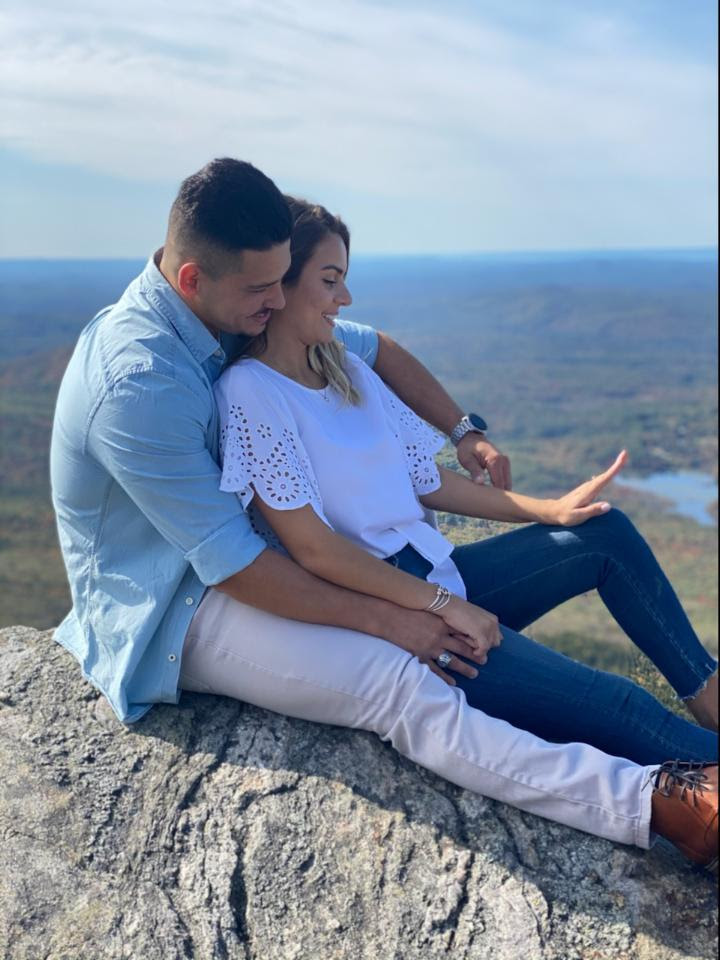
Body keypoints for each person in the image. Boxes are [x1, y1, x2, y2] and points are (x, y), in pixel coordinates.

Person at [49, 159, 717, 873]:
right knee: (404, 683)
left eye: (285, 281)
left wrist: (468, 433)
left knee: (573, 560)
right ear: (193, 280)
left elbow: (376, 352)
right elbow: (240, 564)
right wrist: (404, 618)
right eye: (266, 288)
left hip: (266, 564)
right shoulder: (142, 382)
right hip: (175, 606)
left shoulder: (252, 319)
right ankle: (659, 805)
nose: (278, 301)